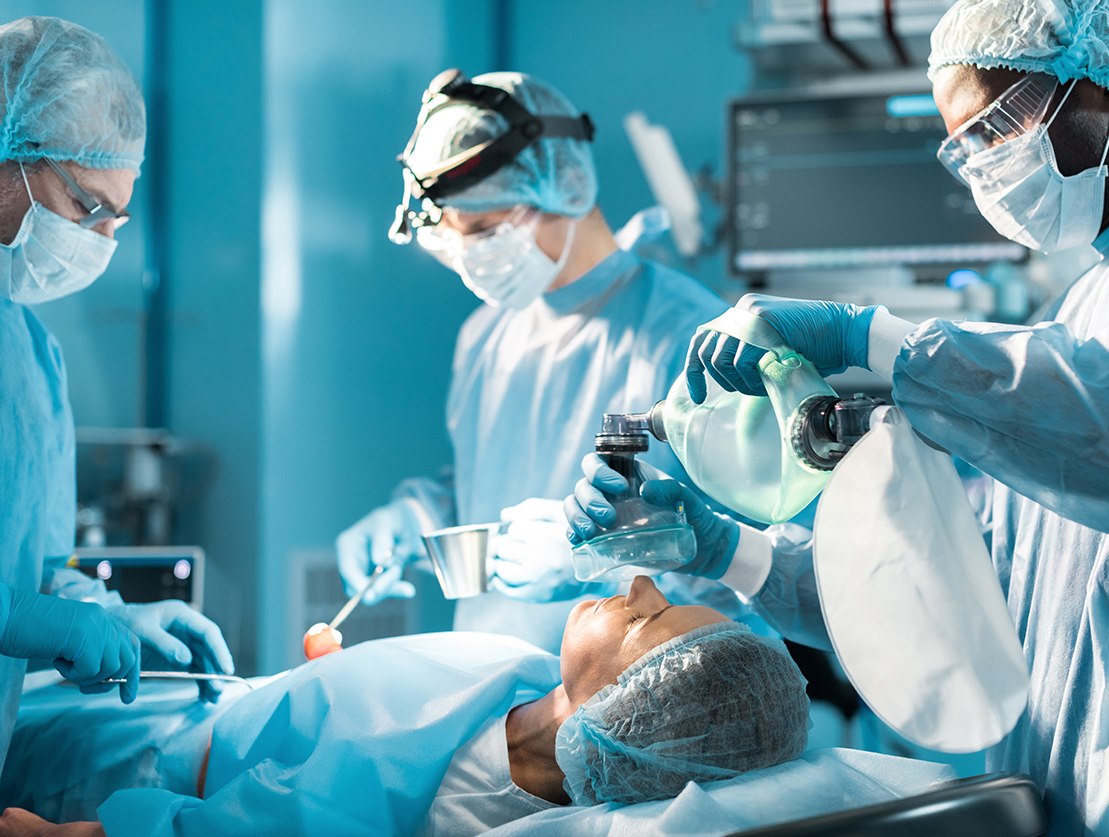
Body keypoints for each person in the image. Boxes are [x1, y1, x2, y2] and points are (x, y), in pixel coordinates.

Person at [569, 0, 1109, 832]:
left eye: (997, 126)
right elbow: (946, 598)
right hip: (1063, 801)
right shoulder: (1084, 307)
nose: (983, 168)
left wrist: (872, 336)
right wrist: (725, 548)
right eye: (961, 148)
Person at [336, 69, 747, 652]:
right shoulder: (486, 335)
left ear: (565, 189)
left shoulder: (689, 336)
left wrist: (603, 556)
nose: (472, 257)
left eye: (485, 229)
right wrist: (414, 518)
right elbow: (489, 481)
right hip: (500, 696)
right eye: (456, 237)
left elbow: (752, 563)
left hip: (649, 704)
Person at [0, 576, 810, 837]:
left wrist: (85, 832)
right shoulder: (533, 685)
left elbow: (266, 825)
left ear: (629, 708)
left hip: (129, 778)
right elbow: (386, 722)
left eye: (651, 619)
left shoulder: (461, 796)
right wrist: (332, 686)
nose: (640, 586)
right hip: (194, 718)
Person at [0, 14, 235, 772]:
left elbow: (28, 568)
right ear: (11, 155)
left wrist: (105, 611)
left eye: (116, 219)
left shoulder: (31, 352)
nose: (102, 241)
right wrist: (18, 616)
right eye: (88, 208)